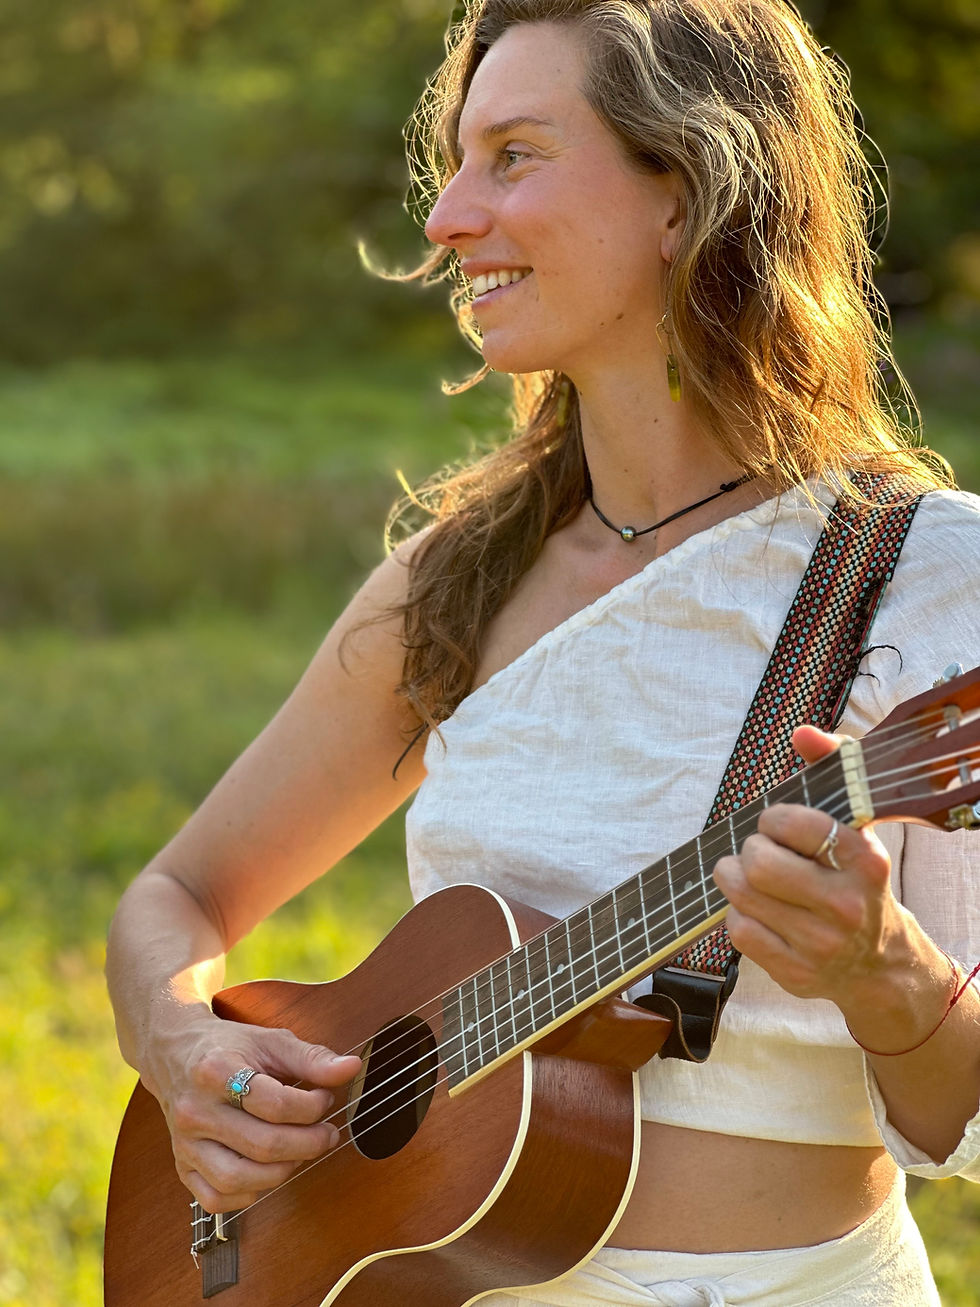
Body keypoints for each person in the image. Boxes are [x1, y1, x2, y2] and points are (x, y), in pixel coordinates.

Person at [106, 1, 980, 1303]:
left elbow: (960, 1125)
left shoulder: (929, 575)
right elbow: (174, 898)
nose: (448, 219)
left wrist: (884, 972)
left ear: (683, 190)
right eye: (455, 163)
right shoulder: (459, 574)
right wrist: (187, 1055)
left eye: (512, 156)